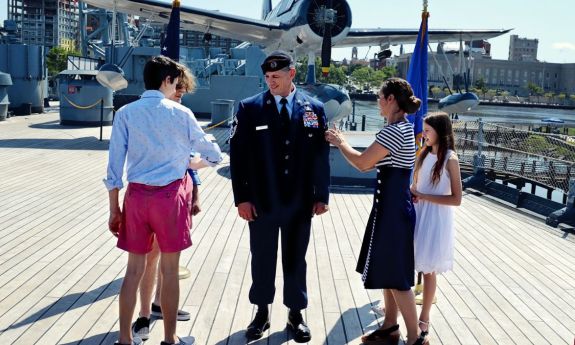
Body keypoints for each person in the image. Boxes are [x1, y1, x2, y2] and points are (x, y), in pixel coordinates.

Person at [105, 55, 223, 345]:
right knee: (169, 271)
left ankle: (124, 339)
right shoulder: (181, 114)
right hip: (170, 198)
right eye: (176, 82)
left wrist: (114, 210)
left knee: (133, 271)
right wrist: (187, 159)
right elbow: (214, 155)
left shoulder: (125, 113)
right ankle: (170, 338)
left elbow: (113, 168)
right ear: (167, 80)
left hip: (136, 197)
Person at [229, 50, 330, 343]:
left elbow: (320, 155)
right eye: (268, 77)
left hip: (300, 201)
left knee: (296, 259)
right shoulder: (250, 108)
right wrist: (242, 198)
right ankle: (261, 312)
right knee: (262, 257)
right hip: (262, 200)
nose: (271, 82)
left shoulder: (314, 108)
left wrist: (321, 194)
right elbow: (238, 156)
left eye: (276, 76)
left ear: (292, 74)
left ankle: (295, 314)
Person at [325, 77, 426, 345]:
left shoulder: (393, 131)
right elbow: (372, 164)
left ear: (391, 99)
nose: (378, 102)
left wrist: (339, 141)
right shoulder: (402, 128)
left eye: (380, 97)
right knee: (387, 270)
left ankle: (415, 339)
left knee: (398, 277)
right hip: (391, 208)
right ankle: (390, 327)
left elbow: (362, 163)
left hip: (392, 211)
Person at [130, 66, 201, 342]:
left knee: (165, 260)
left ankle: (160, 304)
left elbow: (188, 160)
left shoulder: (179, 118)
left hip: (178, 196)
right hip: (155, 198)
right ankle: (144, 315)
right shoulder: (156, 116)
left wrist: (196, 193)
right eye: (179, 92)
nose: (181, 99)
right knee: (150, 259)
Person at [410, 112, 462, 341]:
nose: (424, 134)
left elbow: (456, 199)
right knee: (409, 261)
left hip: (435, 218)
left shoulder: (450, 158)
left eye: (428, 130)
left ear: (440, 132)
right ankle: (396, 306)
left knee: (428, 269)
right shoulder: (423, 154)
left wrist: (423, 196)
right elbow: (417, 183)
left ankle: (424, 316)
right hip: (417, 212)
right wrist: (414, 194)